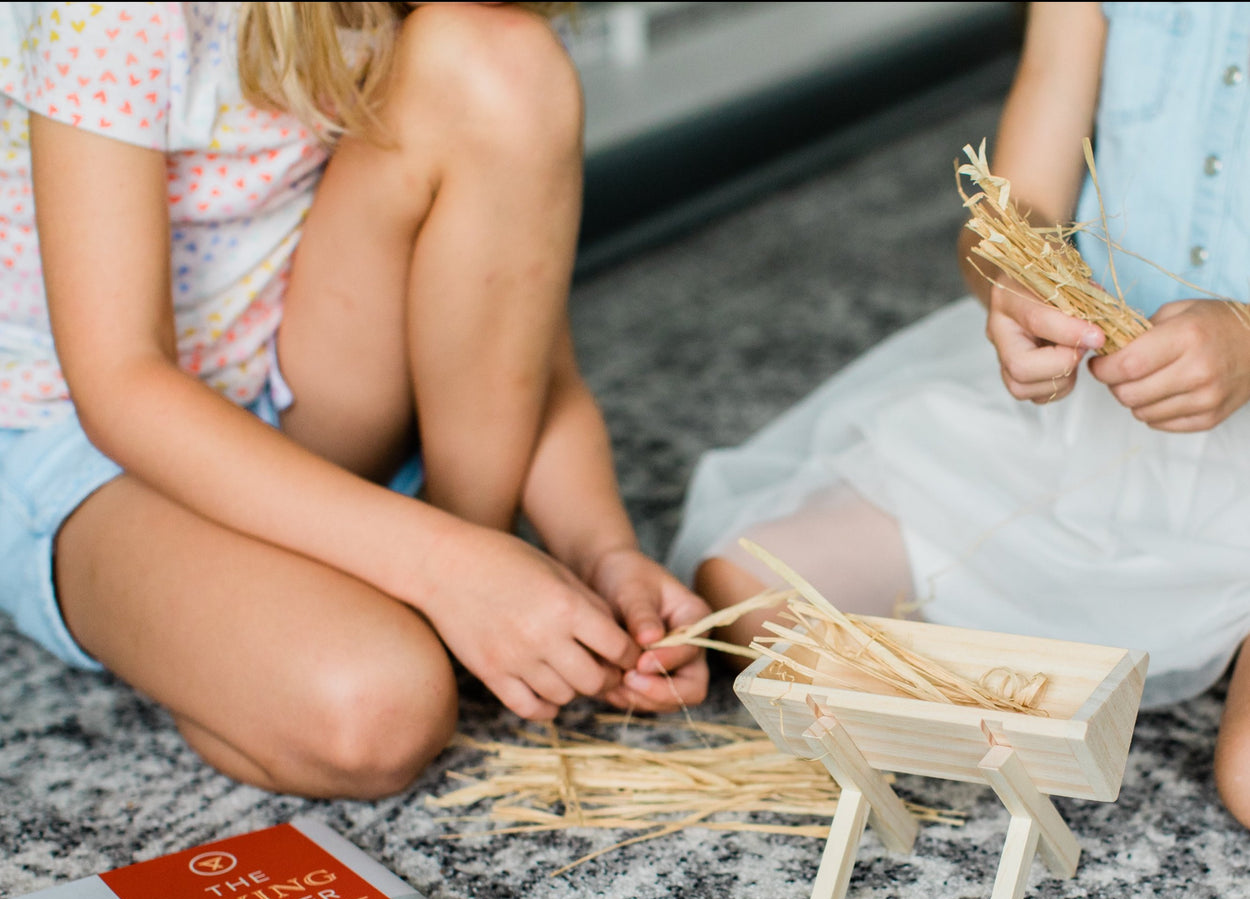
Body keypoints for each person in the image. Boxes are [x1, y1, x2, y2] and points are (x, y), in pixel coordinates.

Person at [0, 1, 707, 801]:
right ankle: (424, 585)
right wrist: (442, 568)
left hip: (301, 384)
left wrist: (599, 552)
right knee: (376, 709)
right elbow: (120, 384)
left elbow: (527, 348)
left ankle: (464, 576)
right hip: (82, 441)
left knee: (502, 61)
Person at [670, 1, 1250, 824]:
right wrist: (1020, 285)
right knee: (749, 600)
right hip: (1091, 415)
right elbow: (1015, 206)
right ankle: (1130, 636)